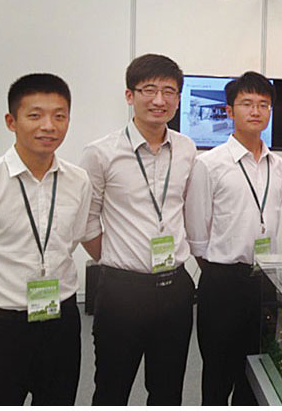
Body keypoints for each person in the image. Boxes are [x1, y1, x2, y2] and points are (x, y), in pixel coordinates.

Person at [0, 73, 91, 405]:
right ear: (12, 121)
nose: (49, 126)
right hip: (3, 324)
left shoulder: (78, 181)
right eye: (35, 115)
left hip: (61, 321)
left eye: (59, 116)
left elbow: (72, 239)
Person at [79, 54, 198, 405]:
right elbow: (87, 221)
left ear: (178, 98)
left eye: (169, 91)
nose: (159, 100)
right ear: (130, 95)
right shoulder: (101, 153)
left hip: (175, 289)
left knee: (168, 391)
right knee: (111, 390)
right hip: (121, 292)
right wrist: (117, 259)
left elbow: (185, 209)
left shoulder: (187, 149)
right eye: (149, 90)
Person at [187, 71, 282, 405]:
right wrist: (222, 268)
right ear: (230, 111)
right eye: (247, 103)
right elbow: (197, 233)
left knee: (258, 373)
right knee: (218, 375)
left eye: (263, 104)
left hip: (265, 282)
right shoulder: (209, 164)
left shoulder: (279, 165)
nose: (256, 111)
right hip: (223, 283)